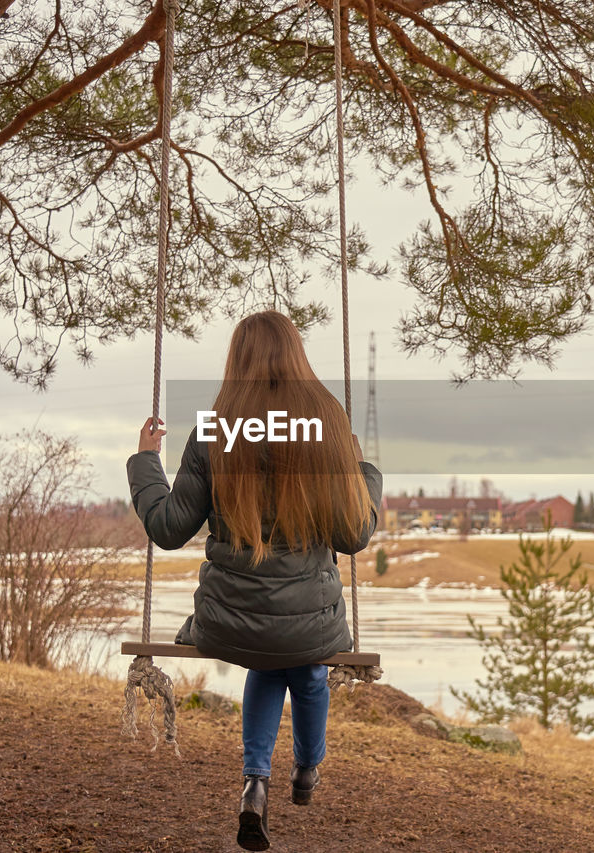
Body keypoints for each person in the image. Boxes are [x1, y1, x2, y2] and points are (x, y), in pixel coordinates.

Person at [127, 310, 382, 852]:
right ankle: (308, 768)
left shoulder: (215, 429)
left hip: (228, 623)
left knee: (268, 659)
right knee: (305, 665)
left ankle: (254, 785)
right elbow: (354, 533)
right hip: (309, 625)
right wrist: (363, 472)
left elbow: (169, 528)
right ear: (297, 357)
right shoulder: (325, 426)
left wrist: (147, 462)